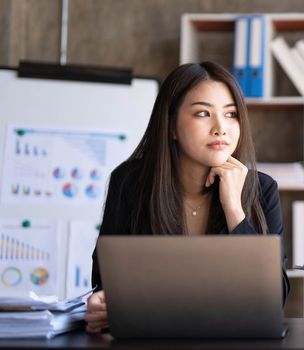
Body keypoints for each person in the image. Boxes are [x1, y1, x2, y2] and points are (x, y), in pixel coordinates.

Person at [84, 61, 290, 333]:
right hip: (150, 339)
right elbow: (105, 279)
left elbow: (275, 298)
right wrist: (102, 302)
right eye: (203, 113)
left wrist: (233, 209)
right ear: (171, 125)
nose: (221, 128)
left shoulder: (262, 190)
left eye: (231, 114)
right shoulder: (129, 183)